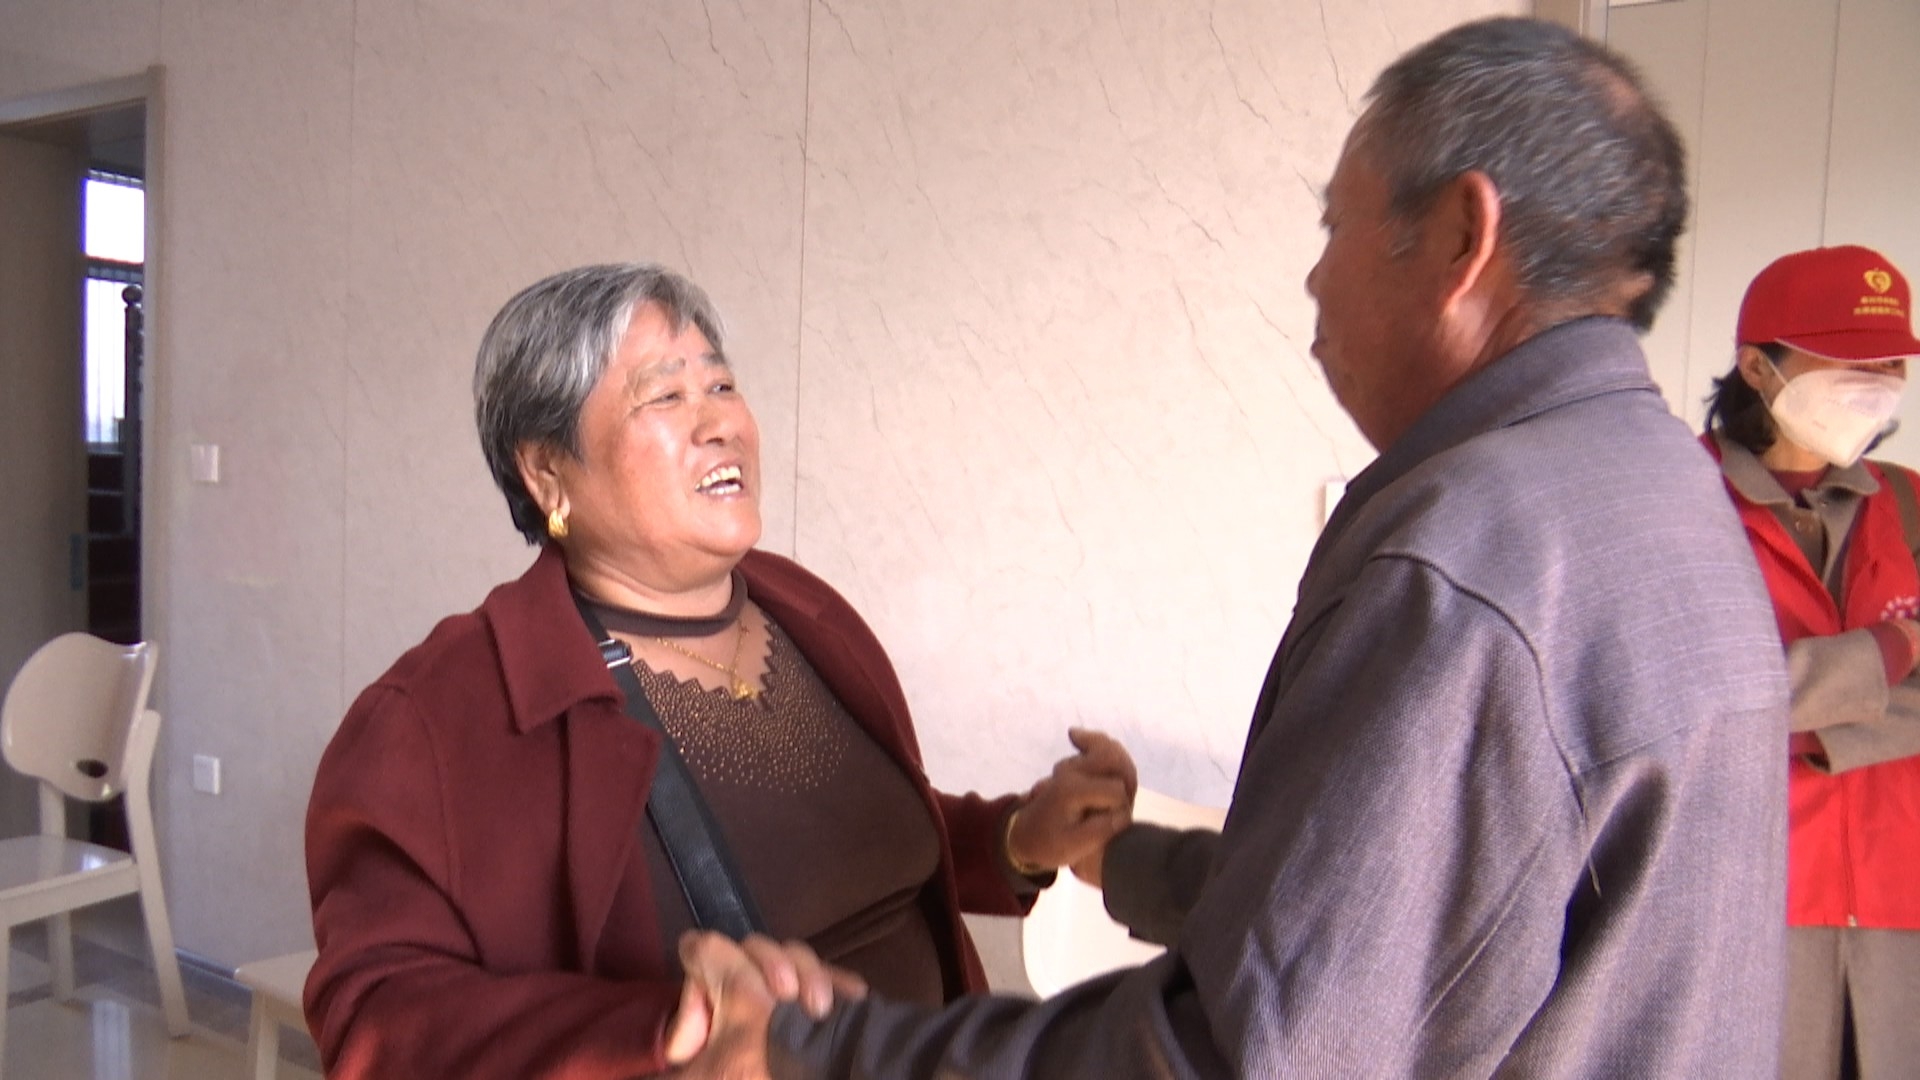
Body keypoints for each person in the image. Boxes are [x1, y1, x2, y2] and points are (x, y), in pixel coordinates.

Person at [666, 17, 1792, 1078]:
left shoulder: (1468, 568)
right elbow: (1404, 919)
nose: (1313, 276)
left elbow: (1251, 1050)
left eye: (1333, 226)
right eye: (662, 396)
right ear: (564, 468)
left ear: (1461, 236)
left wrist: (823, 1052)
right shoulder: (1663, 490)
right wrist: (1111, 857)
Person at [301, 263, 1138, 1079]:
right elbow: (375, 1019)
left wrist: (1016, 839)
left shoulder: (806, 613)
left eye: (722, 385)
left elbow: (859, 839)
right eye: (665, 397)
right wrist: (672, 1031)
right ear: (547, 470)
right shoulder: (440, 714)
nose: (720, 423)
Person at [1701, 244, 1920, 1079]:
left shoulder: (1909, 503)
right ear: (1757, 366)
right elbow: (1691, 695)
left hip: (1900, 902)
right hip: (1737, 900)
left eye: (1890, 362)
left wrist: (1797, 720)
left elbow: (1747, 701)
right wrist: (1889, 653)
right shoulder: (1679, 499)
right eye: (1847, 359)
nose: (1877, 382)